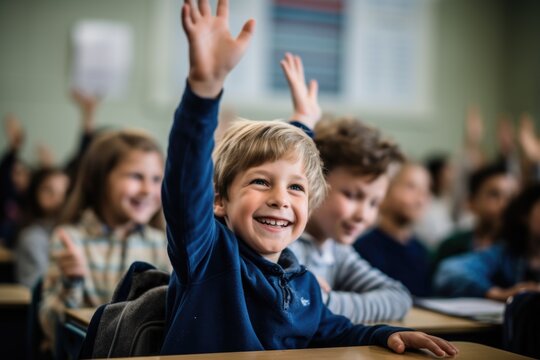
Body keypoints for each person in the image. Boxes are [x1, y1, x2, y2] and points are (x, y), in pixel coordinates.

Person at [160, 0, 457, 357]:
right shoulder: (208, 255)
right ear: (219, 200)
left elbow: (333, 330)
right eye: (260, 182)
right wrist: (204, 91)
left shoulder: (301, 281)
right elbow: (185, 182)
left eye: (296, 189)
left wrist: (383, 334)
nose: (280, 199)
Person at [281, 53, 412, 323]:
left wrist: (321, 301)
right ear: (314, 181)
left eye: (374, 203)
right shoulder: (283, 240)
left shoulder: (336, 251)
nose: (363, 215)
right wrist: (309, 300)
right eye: (352, 195)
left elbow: (398, 297)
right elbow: (289, 304)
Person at [39, 129, 171, 349]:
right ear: (98, 179)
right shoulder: (70, 239)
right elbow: (51, 327)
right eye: (136, 176)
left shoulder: (162, 242)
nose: (148, 189)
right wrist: (71, 282)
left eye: (157, 179)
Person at [433, 184, 540, 301]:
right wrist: (498, 294)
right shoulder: (506, 254)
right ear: (525, 215)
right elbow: (449, 271)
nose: (502, 203)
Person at [355, 163, 432, 297]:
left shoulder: (422, 251)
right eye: (411, 187)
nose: (420, 199)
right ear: (385, 191)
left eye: (426, 190)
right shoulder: (363, 248)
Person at [433, 163, 517, 270]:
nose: (504, 204)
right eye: (494, 195)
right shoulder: (451, 247)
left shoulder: (521, 251)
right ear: (471, 202)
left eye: (511, 197)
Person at [15, 167, 70, 287]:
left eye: (65, 191)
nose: (58, 198)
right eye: (48, 190)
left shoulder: (73, 230)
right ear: (34, 192)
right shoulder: (32, 237)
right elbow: (42, 287)